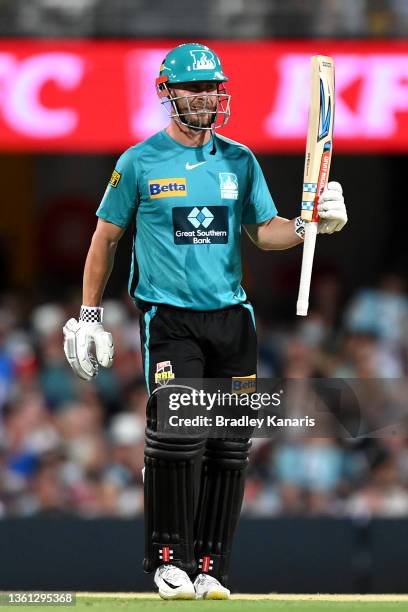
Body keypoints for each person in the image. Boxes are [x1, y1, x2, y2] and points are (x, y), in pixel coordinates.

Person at [63, 43, 348, 600]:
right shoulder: (138, 162)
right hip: (170, 319)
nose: (206, 97)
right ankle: (169, 559)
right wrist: (90, 313)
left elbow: (266, 233)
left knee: (230, 445)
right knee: (176, 436)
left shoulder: (239, 160)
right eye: (193, 89)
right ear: (168, 94)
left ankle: (212, 566)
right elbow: (105, 240)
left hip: (231, 321)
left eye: (212, 87)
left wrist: (315, 224)